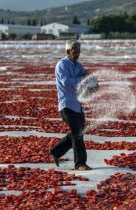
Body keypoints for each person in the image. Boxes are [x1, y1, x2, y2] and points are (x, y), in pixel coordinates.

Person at [49, 40, 96, 171]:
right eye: (75, 52)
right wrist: (83, 81)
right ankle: (80, 163)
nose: (77, 54)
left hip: (77, 105)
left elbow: (87, 76)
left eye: (79, 52)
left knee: (78, 132)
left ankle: (56, 151)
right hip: (66, 105)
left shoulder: (78, 66)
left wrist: (93, 83)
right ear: (68, 51)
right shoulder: (61, 65)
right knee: (78, 133)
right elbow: (65, 82)